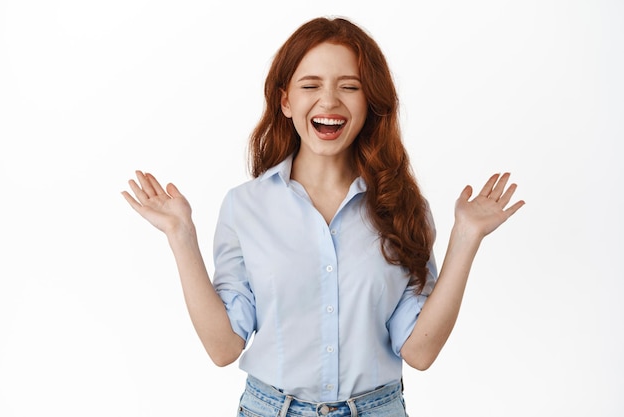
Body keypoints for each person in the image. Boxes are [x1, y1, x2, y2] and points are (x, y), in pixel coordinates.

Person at [122, 16, 524, 417]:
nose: (329, 101)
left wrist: (466, 236)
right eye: (310, 86)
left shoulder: (402, 206)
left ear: (370, 103)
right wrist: (180, 235)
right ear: (285, 101)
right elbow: (223, 347)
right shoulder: (245, 206)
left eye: (349, 87)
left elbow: (419, 351)